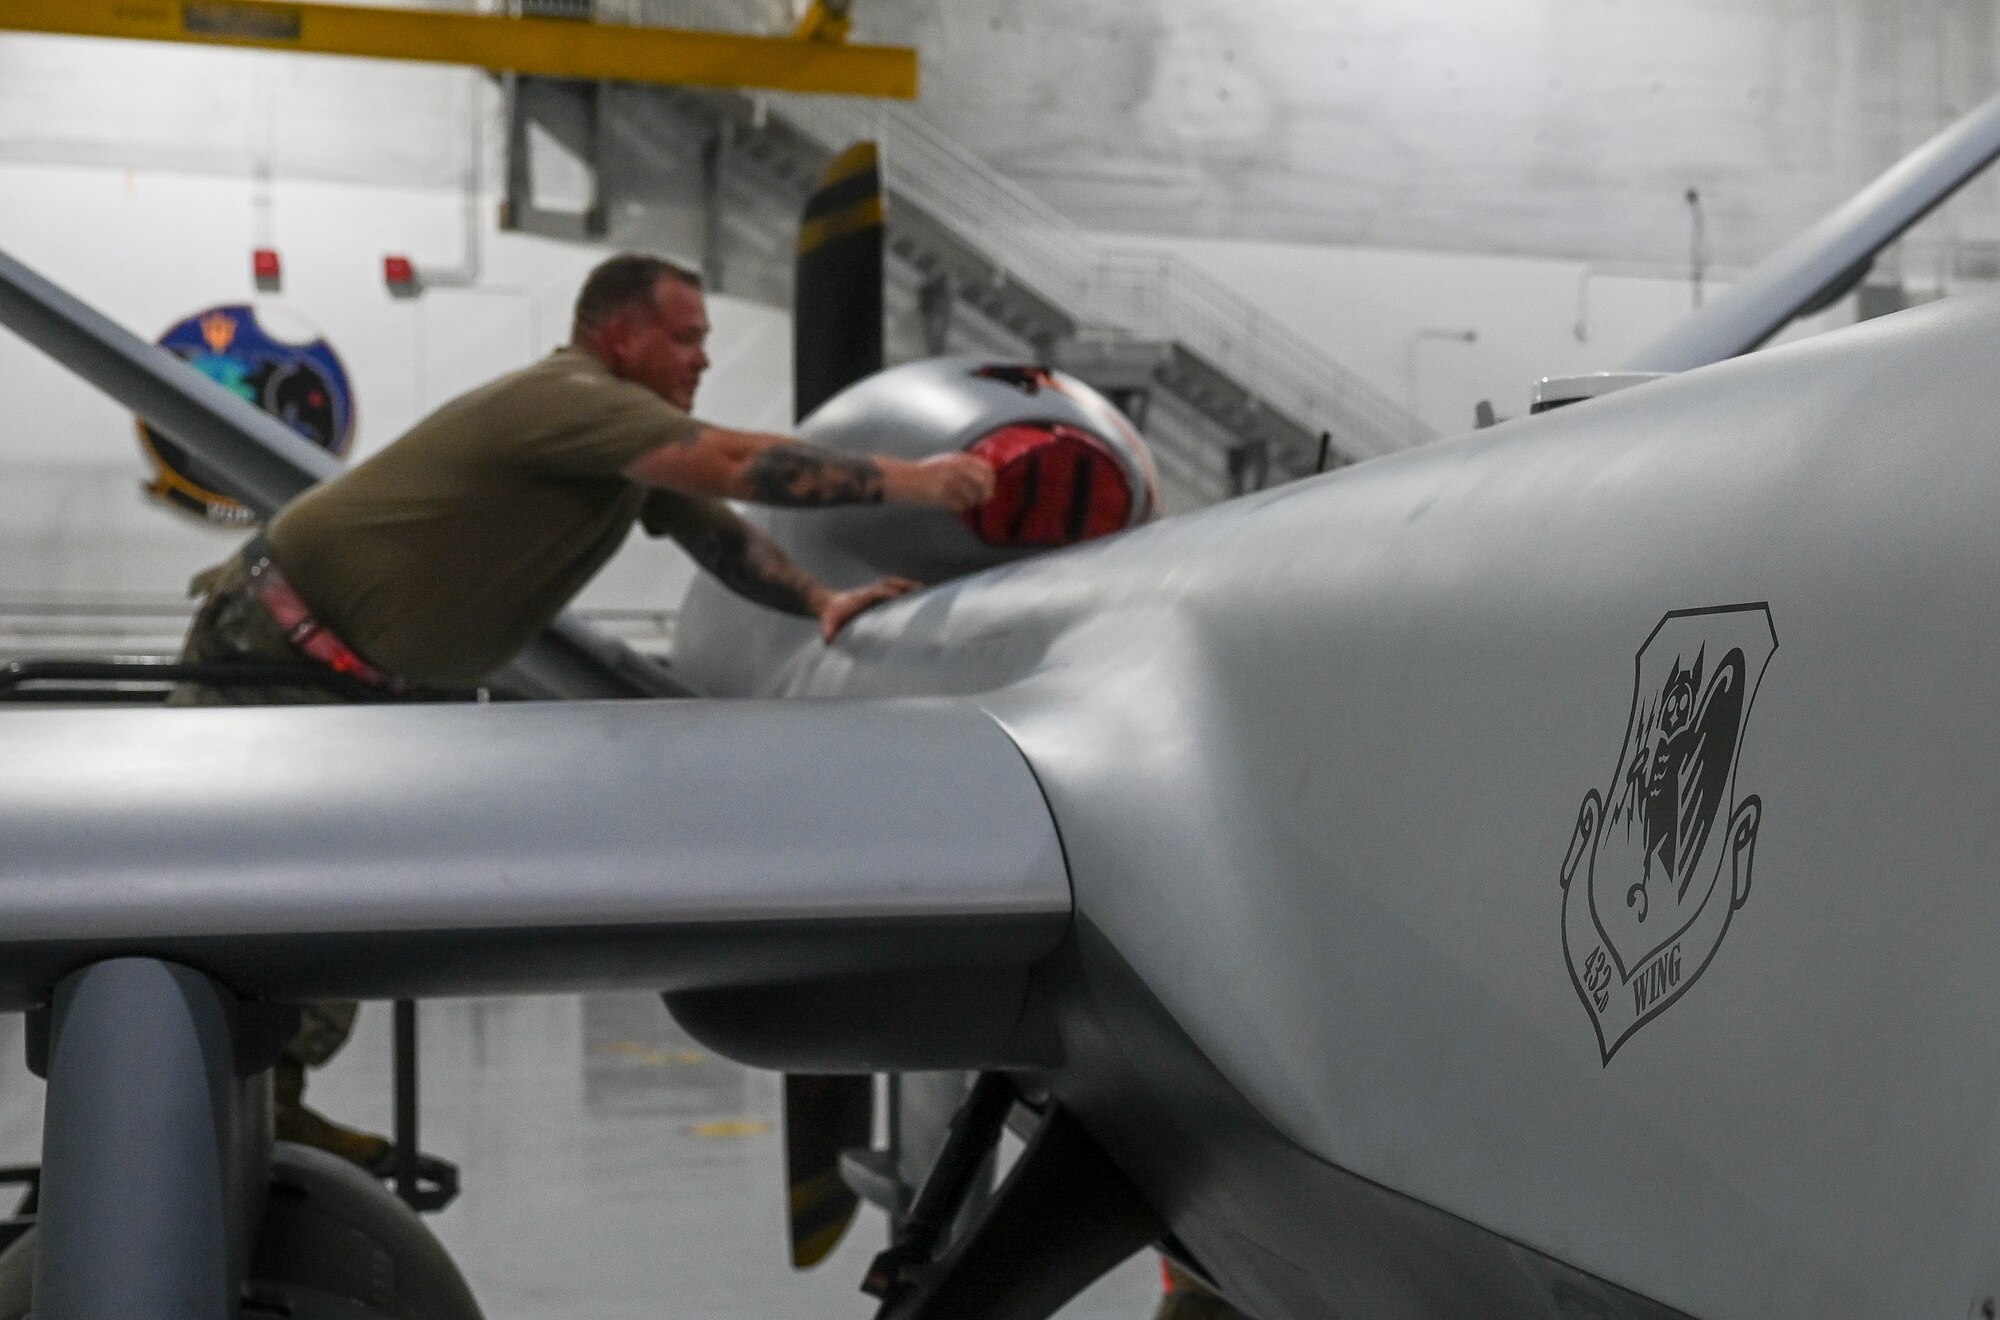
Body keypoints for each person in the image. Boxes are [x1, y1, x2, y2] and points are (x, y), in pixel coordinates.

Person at [169, 252, 995, 1168]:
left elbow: (717, 535)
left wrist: (820, 602)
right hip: (269, 655)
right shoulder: (573, 400)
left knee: (322, 906)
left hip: (358, 688)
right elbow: (733, 464)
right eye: (685, 339)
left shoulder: (627, 447)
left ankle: (273, 1106)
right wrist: (917, 481)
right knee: (222, 904)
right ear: (619, 336)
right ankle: (207, 1122)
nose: (701, 360)